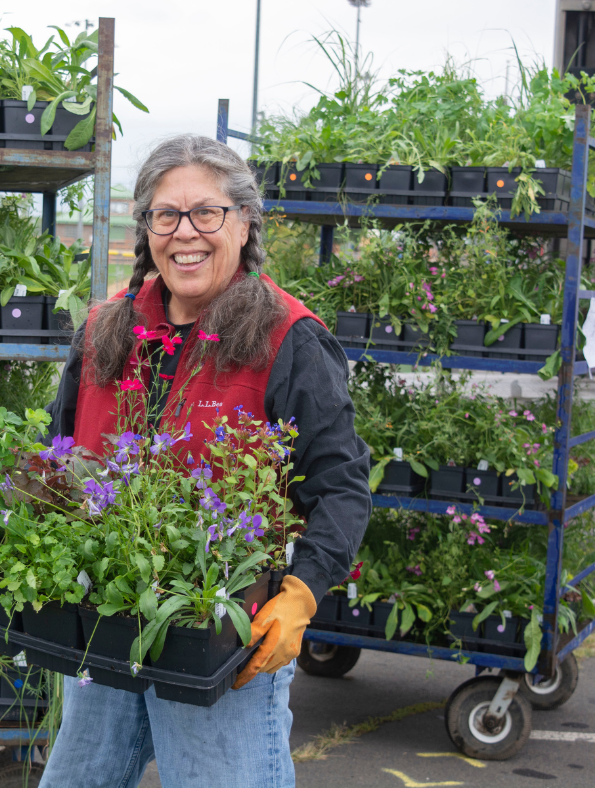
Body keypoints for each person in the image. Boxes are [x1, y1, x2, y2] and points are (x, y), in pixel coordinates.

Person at [40, 134, 370, 788]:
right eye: (166, 215)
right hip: (104, 625)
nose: (184, 232)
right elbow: (63, 453)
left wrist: (300, 597)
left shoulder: (289, 339)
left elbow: (342, 486)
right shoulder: (107, 328)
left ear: (245, 223)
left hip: (222, 637)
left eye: (206, 213)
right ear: (147, 228)